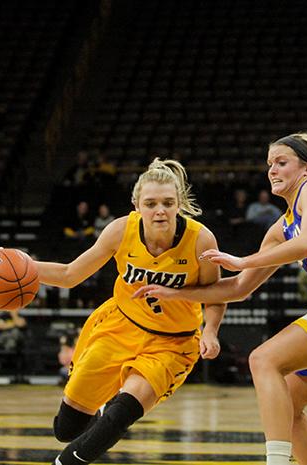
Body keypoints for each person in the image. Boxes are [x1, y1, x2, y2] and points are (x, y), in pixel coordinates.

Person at [134, 132, 307, 465]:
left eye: (281, 162)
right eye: (269, 165)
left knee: (263, 360)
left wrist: (244, 259)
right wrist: (177, 293)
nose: (273, 170)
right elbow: (239, 288)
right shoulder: (280, 229)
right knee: (286, 404)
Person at [27, 158, 226, 465]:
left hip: (171, 342)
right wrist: (23, 266)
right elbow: (70, 274)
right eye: (150, 203)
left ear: (179, 204)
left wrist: (211, 331)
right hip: (120, 326)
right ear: (136, 205)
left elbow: (217, 294)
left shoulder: (201, 240)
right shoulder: (121, 230)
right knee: (66, 428)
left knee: (123, 412)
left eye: (167, 203)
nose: (159, 210)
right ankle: (101, 421)